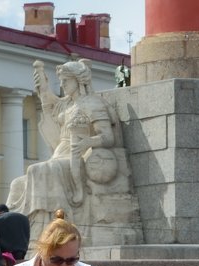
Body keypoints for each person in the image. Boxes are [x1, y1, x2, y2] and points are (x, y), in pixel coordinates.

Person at [7, 58, 117, 215]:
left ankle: (49, 222)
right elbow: (48, 100)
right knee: (17, 184)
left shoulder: (93, 104)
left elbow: (108, 137)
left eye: (65, 80)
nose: (62, 85)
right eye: (60, 81)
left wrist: (87, 142)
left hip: (78, 156)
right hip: (59, 154)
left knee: (37, 170)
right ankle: (17, 224)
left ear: (77, 80)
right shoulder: (66, 105)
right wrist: (43, 86)